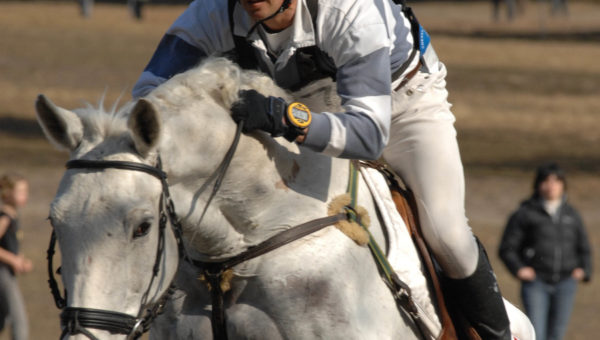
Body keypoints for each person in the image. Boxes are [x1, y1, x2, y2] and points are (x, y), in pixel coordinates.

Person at [132, 1, 525, 338]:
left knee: (448, 234)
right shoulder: (213, 12)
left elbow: (369, 133)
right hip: (297, 107)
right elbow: (148, 95)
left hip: (402, 104)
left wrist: (281, 117)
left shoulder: (347, 9)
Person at [499, 163, 592, 340]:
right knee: (535, 334)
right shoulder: (525, 214)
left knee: (557, 334)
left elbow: (584, 246)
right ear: (538, 184)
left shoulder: (572, 214)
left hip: (566, 283)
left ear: (563, 185)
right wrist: (519, 269)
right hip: (536, 283)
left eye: (556, 181)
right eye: (546, 181)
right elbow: (507, 248)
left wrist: (584, 270)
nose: (551, 186)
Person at [0, 174, 32, 340]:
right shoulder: (4, 217)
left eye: (25, 191)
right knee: (18, 317)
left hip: (7, 273)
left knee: (3, 316)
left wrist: (20, 259)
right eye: (20, 191)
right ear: (6, 193)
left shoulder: (12, 216)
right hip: (3, 274)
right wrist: (13, 260)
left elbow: (10, 246)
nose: (24, 195)